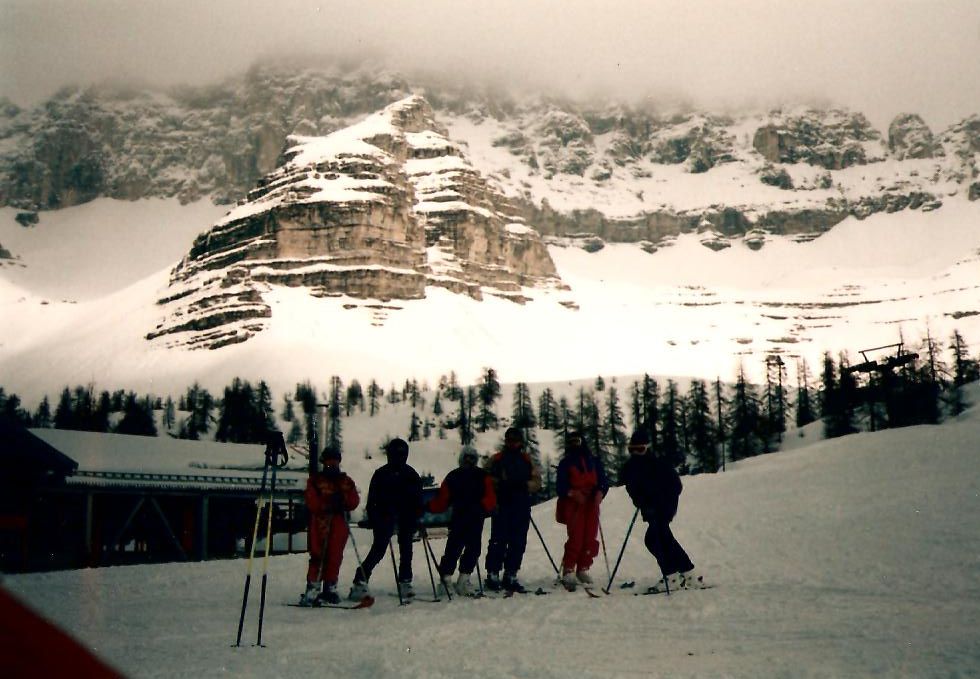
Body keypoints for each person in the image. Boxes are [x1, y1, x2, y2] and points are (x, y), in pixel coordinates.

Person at [619, 429, 706, 592]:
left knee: (655, 539)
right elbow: (631, 488)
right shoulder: (630, 467)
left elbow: (676, 486)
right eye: (633, 449)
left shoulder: (658, 464)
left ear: (647, 448)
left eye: (641, 449)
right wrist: (641, 502)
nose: (637, 453)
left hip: (663, 507)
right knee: (661, 539)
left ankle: (677, 575)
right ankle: (685, 574)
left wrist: (658, 502)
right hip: (649, 508)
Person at [349, 437, 423, 600]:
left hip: (405, 517)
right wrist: (375, 517)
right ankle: (360, 580)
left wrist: (417, 517)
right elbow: (373, 500)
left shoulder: (411, 474)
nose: (398, 458)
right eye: (395, 454)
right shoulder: (381, 474)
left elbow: (418, 500)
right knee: (379, 549)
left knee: (406, 550)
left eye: (401, 455)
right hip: (384, 517)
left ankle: (405, 581)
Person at [427, 445, 497, 596]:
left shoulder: (478, 475)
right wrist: (428, 507)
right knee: (455, 549)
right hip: (462, 517)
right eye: (467, 458)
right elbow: (443, 500)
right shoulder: (456, 476)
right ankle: (447, 581)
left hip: (472, 517)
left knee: (471, 549)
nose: (469, 461)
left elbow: (491, 498)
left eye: (472, 458)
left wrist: (481, 508)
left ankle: (461, 580)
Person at [299, 445, 360, 606]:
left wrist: (343, 500)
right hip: (320, 522)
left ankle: (330, 587)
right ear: (323, 463)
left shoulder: (346, 481)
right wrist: (327, 504)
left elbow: (354, 500)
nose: (332, 466)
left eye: (334, 463)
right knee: (318, 554)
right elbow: (311, 501)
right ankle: (313, 587)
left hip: (339, 523)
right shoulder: (316, 481)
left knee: (334, 555)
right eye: (328, 463)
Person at [484, 427, 542, 593]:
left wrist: (524, 486)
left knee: (518, 541)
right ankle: (493, 573)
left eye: (515, 440)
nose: (513, 443)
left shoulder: (526, 459)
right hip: (502, 504)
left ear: (520, 442)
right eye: (510, 440)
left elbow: (537, 481)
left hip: (521, 505)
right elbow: (485, 478)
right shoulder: (496, 459)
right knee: (498, 540)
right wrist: (499, 484)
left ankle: (511, 573)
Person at [555, 431, 609, 589]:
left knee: (590, 537)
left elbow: (603, 480)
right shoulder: (565, 463)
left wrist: (601, 491)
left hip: (591, 502)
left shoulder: (594, 461)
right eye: (571, 441)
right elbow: (561, 486)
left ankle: (583, 568)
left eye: (577, 440)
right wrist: (572, 493)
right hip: (574, 504)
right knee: (576, 536)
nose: (574, 444)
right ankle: (569, 568)